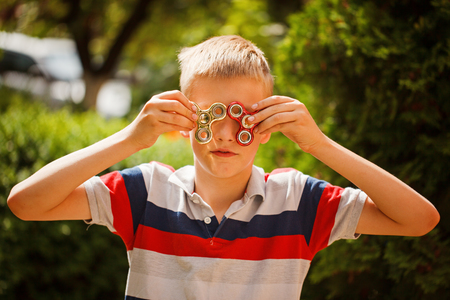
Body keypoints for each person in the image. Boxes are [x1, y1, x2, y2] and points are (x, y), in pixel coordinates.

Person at [7, 35, 440, 299]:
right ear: (184, 121)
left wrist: (319, 144)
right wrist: (129, 139)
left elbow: (420, 219)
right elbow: (26, 203)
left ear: (266, 126)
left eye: (244, 117)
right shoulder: (145, 192)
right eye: (212, 116)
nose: (226, 134)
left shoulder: (299, 202)